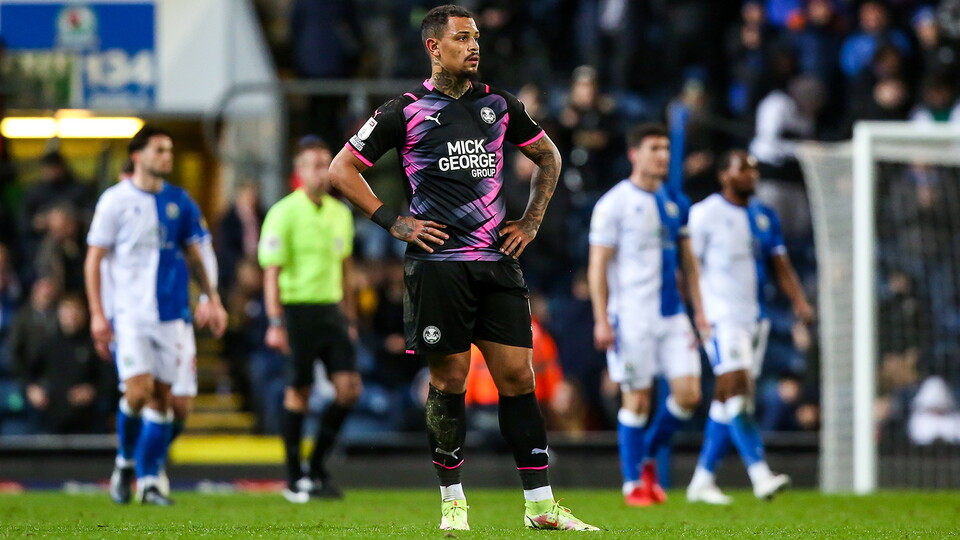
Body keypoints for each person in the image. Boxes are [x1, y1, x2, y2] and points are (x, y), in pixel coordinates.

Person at [327, 4, 597, 532]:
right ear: (434, 47)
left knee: (518, 376)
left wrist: (531, 221)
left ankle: (540, 506)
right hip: (438, 267)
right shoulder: (403, 111)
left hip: (497, 263)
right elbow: (342, 170)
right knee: (449, 380)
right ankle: (453, 500)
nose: (474, 46)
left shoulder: (499, 104)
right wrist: (393, 221)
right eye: (462, 38)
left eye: (476, 37)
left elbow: (549, 157)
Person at [85, 125, 226, 506]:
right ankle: (125, 463)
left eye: (169, 150)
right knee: (138, 392)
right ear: (138, 156)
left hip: (171, 314)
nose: (167, 157)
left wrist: (212, 298)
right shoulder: (115, 201)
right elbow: (94, 260)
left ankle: (147, 481)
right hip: (129, 314)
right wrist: (98, 314)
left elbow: (197, 253)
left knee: (164, 399)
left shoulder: (179, 201)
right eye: (160, 150)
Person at [588, 123, 708, 507]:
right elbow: (597, 266)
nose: (662, 155)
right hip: (631, 316)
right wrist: (601, 318)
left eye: (666, 148)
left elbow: (690, 264)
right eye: (654, 148)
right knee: (637, 399)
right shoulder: (613, 204)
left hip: (672, 314)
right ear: (634, 154)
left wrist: (700, 312)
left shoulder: (676, 202)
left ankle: (648, 456)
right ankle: (632, 484)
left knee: (688, 396)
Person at [685, 150, 813, 504]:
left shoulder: (763, 215)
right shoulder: (706, 213)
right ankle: (760, 475)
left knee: (727, 399)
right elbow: (690, 266)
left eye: (754, 169)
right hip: (720, 317)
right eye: (743, 169)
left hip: (755, 319)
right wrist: (698, 313)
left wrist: (799, 301)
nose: (751, 175)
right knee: (739, 393)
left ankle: (702, 480)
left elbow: (780, 263)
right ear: (724, 175)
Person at [258, 136, 362, 503]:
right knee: (298, 391)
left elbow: (346, 270)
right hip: (296, 309)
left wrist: (350, 319)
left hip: (331, 311)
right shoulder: (283, 213)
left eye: (326, 164)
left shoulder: (340, 213)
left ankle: (315, 467)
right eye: (315, 165)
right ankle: (293, 477)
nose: (323, 172)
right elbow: (271, 272)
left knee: (349, 389)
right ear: (299, 171)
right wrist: (275, 322)